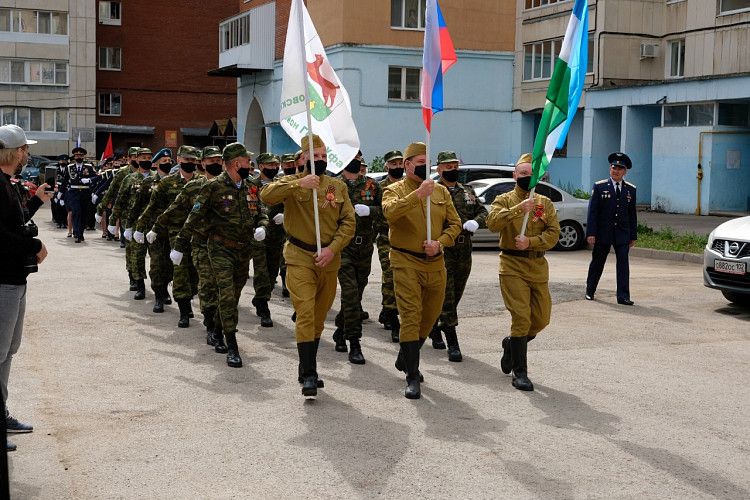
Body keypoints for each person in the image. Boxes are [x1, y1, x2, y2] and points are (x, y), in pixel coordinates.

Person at [260, 134, 355, 399]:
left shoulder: (336, 186)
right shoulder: (291, 182)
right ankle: (310, 375)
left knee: (319, 314)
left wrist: (332, 249)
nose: (321, 160)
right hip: (299, 256)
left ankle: (305, 366)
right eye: (315, 156)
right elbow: (267, 195)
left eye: (324, 156)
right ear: (302, 159)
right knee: (305, 313)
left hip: (328, 258)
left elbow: (348, 222)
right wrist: (297, 184)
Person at [173, 143, 269, 368]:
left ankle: (216, 328)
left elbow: (261, 211)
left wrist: (262, 225)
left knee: (234, 295)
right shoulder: (213, 187)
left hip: (243, 249)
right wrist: (179, 244)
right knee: (226, 294)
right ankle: (232, 346)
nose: (249, 164)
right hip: (220, 249)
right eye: (247, 161)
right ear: (237, 163)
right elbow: (194, 216)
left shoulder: (251, 186)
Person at [382, 141, 462, 400]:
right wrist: (417, 195)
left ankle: (406, 355)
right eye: (420, 163)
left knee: (430, 317)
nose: (425, 168)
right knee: (411, 316)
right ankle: (412, 375)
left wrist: (441, 243)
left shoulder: (441, 192)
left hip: (435, 261)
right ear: (407, 165)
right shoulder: (393, 190)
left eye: (428, 164)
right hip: (405, 261)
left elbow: (455, 224)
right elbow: (391, 214)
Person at [486, 153, 560, 392]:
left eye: (531, 174)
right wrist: (519, 209)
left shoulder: (543, 203)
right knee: (521, 318)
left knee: (541, 318)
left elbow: (553, 233)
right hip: (512, 265)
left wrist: (532, 241)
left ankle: (512, 346)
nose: (526, 178)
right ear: (514, 175)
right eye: (523, 174)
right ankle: (520, 373)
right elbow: (492, 223)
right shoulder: (504, 199)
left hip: (537, 265)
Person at [0, 125, 53, 452]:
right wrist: (32, 245)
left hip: (14, 279)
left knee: (8, 350)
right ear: (14, 151)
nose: (27, 154)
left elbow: (15, 222)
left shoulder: (6, 184)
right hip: (3, 279)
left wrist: (35, 202)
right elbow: (2, 236)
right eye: (24, 149)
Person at [156, 147, 223, 349]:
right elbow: (165, 209)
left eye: (218, 160)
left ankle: (211, 317)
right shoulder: (182, 185)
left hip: (217, 243)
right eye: (210, 160)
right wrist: (149, 228)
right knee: (184, 275)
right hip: (182, 236)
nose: (215, 164)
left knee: (198, 281)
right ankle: (186, 312)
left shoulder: (226, 185)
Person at [430, 151, 488, 361]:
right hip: (443, 248)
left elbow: (483, 212)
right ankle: (452, 340)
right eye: (448, 167)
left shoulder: (467, 190)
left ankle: (435, 325)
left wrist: (477, 222)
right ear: (439, 169)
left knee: (457, 292)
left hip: (464, 248)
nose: (453, 170)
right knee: (447, 293)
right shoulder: (433, 191)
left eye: (455, 166)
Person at [331, 156, 382, 364]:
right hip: (343, 247)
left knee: (358, 291)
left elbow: (385, 213)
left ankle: (341, 327)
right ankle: (354, 342)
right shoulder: (333, 185)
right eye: (351, 157)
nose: (355, 162)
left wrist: (370, 211)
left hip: (365, 247)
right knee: (350, 293)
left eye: (359, 159)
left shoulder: (372, 185)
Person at [585, 152, 637, 306]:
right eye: (614, 167)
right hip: (603, 233)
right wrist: (591, 233)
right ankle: (590, 290)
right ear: (610, 168)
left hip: (622, 233)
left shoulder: (630, 189)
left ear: (625, 171)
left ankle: (623, 296)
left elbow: (632, 214)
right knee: (597, 262)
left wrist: (633, 235)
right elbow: (592, 212)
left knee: (623, 265)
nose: (616, 171)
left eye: (620, 168)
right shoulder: (600, 186)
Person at [132, 148, 178, 315]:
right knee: (157, 263)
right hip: (154, 230)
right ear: (156, 164)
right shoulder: (148, 182)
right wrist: (135, 227)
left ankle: (165, 288)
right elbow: (139, 206)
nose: (168, 164)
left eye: (169, 161)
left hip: (173, 229)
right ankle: (158, 296)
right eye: (163, 162)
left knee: (171, 264)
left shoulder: (177, 182)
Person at [110, 148, 154, 300]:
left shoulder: (159, 178)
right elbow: (119, 200)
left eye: (149, 157)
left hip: (153, 224)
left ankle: (160, 289)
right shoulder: (129, 178)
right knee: (136, 256)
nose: (146, 160)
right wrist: (112, 220)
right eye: (143, 157)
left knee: (157, 258)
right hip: (134, 222)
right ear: (137, 159)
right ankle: (139, 285)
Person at [373, 150, 405, 343]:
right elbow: (375, 209)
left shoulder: (407, 185)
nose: (398, 167)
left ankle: (387, 309)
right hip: (386, 237)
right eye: (394, 164)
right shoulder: (379, 187)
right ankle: (394, 320)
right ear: (386, 166)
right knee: (391, 275)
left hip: (406, 237)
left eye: (400, 163)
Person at [257, 153, 289, 298]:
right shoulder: (250, 184)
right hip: (256, 237)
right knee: (260, 272)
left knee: (271, 272)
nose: (274, 168)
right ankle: (263, 304)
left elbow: (291, 204)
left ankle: (263, 298)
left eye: (276, 165)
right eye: (270, 165)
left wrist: (285, 215)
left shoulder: (281, 184)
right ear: (261, 166)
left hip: (276, 236)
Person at [64, 146, 96, 243]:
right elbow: (65, 181)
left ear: (83, 156)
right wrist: (60, 194)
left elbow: (97, 177)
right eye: (77, 155)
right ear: (74, 156)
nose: (79, 157)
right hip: (74, 193)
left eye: (81, 155)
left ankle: (81, 233)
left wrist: (89, 180)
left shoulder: (89, 167)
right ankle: (77, 233)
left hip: (85, 193)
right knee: (76, 212)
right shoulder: (69, 167)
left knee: (83, 214)